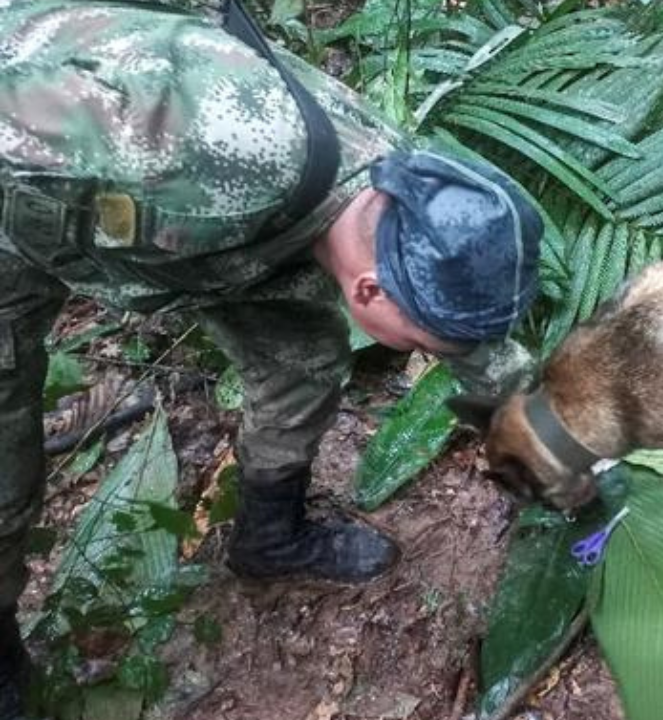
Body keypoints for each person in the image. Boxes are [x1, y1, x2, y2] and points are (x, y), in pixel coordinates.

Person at [0, 0, 542, 716]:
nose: (433, 357)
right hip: (22, 212)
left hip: (211, 248)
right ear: (371, 289)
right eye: (422, 347)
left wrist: (549, 427)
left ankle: (269, 536)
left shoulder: (403, 193)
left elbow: (465, 333)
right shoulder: (206, 152)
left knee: (304, 360)